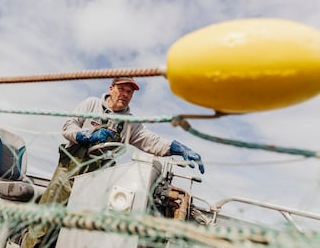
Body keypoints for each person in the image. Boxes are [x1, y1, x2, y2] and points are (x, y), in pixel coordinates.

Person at [21, 77, 204, 247]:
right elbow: (68, 126)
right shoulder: (91, 104)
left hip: (99, 180)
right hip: (69, 172)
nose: (125, 94)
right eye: (121, 89)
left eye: (129, 92)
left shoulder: (130, 122)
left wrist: (178, 148)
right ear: (111, 89)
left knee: (80, 227)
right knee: (45, 219)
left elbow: (152, 142)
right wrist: (85, 135)